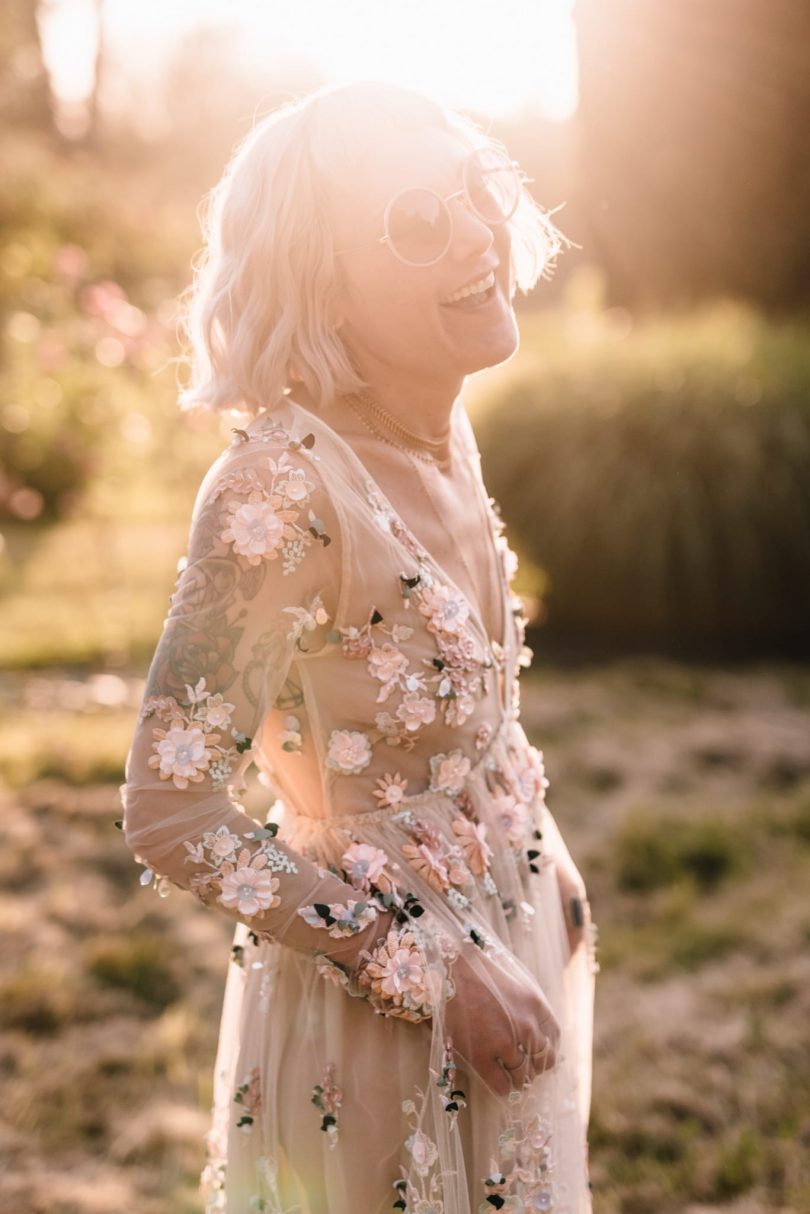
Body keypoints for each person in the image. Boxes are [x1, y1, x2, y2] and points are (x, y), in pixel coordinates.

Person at [120, 79, 599, 1214]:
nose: (479, 231)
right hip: (377, 1022)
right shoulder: (280, 491)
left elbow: (463, 709)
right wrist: (433, 964)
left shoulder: (439, 424)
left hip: (513, 935)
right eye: (417, 221)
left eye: (475, 189)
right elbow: (170, 810)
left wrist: (545, 862)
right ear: (321, 285)